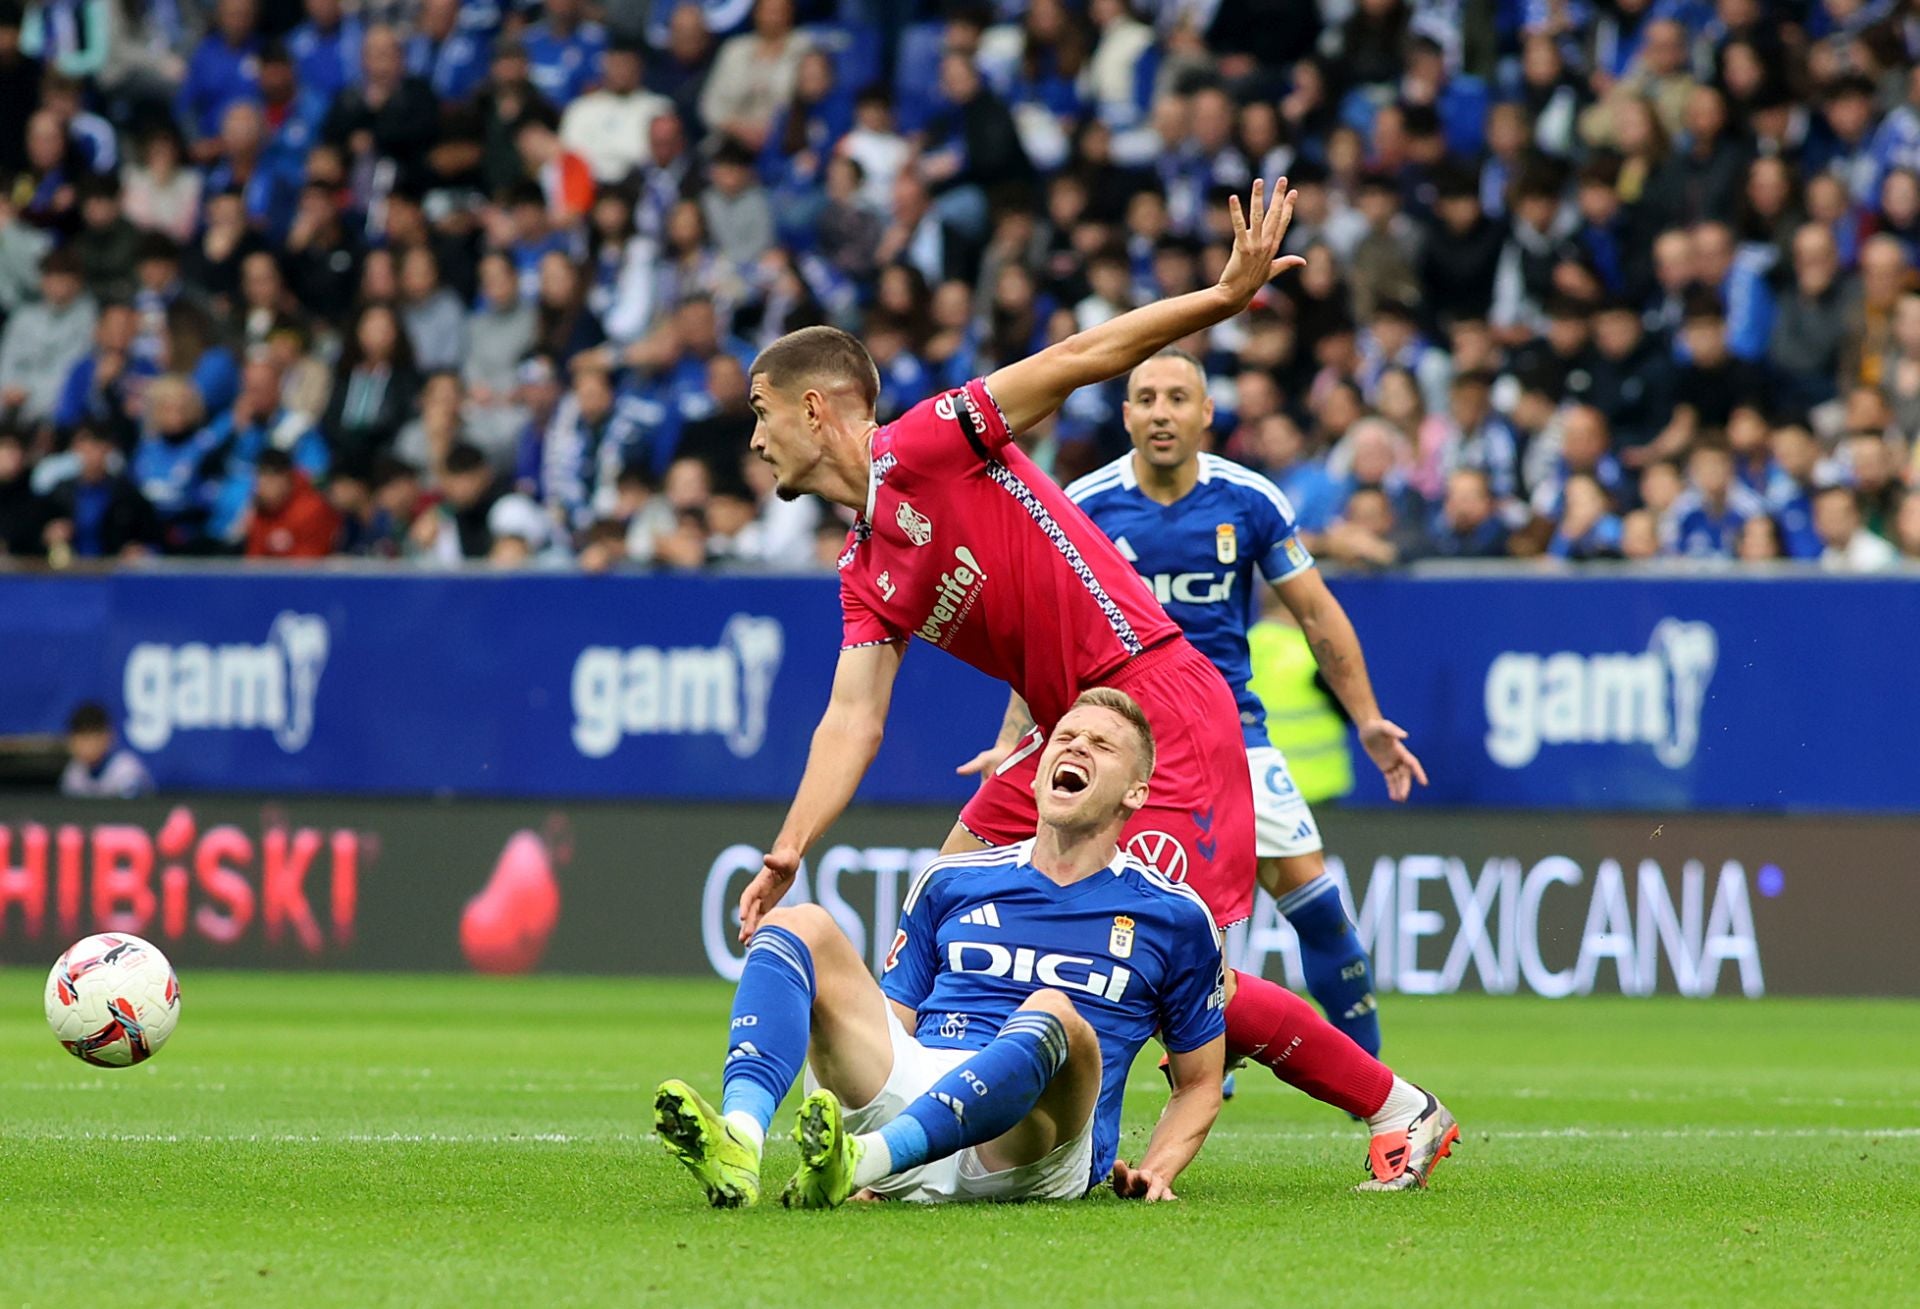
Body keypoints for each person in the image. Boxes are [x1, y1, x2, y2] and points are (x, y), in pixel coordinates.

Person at [735, 181, 1456, 1191]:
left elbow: (1078, 360)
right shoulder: (867, 567)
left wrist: (1220, 298)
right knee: (951, 905)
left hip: (1158, 705)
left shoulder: (933, 441)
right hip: (1065, 728)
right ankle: (932, 1129)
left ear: (817, 409)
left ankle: (1397, 1108)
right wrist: (791, 846)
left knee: (1164, 962)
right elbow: (852, 717)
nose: (755, 437)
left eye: (763, 413)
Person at [655, 690, 1228, 1209]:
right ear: (1035, 774)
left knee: (1052, 1010)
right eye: (1065, 738)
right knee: (797, 924)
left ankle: (864, 1161)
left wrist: (1157, 1168)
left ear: (1136, 792)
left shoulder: (1174, 915)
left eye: (1101, 744)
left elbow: (1200, 1081)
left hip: (1033, 1145)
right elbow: (894, 1019)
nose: (1076, 746)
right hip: (914, 1098)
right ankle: (741, 1139)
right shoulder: (951, 880)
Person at [1060, 348, 1426, 1060]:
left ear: (1206, 414)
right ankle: (1192, 1068)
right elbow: (1051, 630)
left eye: (1177, 397)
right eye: (1146, 398)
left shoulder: (1250, 500)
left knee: (1319, 909)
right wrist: (1018, 733)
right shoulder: (1086, 506)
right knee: (1142, 926)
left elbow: (1317, 614)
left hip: (1231, 731)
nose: (1161, 411)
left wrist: (1368, 719)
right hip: (1129, 746)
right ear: (1127, 414)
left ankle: (1385, 1099)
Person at [60, 701, 153, 798]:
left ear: (108, 736)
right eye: (81, 737)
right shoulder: (74, 772)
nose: (86, 745)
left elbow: (135, 809)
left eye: (92, 735)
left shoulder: (126, 768)